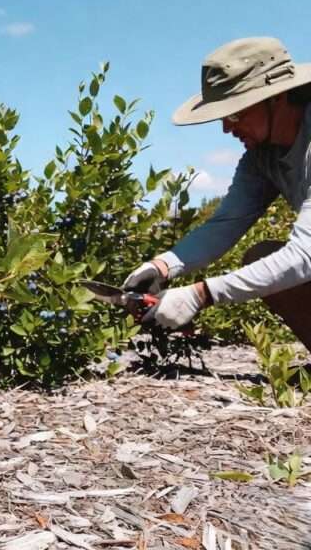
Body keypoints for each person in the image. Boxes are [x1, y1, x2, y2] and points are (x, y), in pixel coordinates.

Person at [124, 36, 311, 350]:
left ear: (276, 98)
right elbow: (225, 224)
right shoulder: (260, 158)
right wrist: (162, 266)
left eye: (235, 113)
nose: (227, 127)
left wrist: (200, 295)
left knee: (279, 263)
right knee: (262, 256)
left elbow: (305, 256)